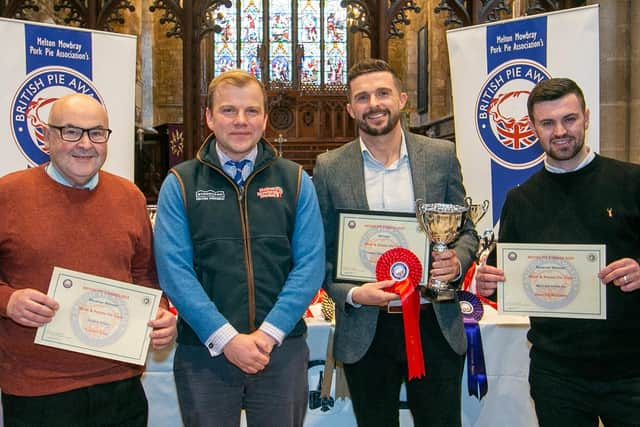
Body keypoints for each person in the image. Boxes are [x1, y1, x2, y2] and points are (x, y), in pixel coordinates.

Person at [153, 69, 325, 427]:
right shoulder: (180, 183)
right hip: (205, 351)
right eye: (229, 110)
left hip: (280, 350)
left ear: (264, 118)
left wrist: (268, 333)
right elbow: (174, 271)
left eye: (251, 111)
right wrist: (226, 338)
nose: (241, 121)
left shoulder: (295, 180)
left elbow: (310, 265)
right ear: (209, 117)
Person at [313, 59, 478, 427]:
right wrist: (354, 294)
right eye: (362, 97)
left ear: (401, 99)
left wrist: (458, 261)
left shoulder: (440, 156)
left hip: (433, 321)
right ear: (350, 108)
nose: (374, 103)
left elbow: (467, 232)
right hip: (365, 329)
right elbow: (320, 251)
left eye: (383, 93)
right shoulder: (329, 167)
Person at [0, 93, 177, 426]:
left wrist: (159, 310)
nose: (85, 144)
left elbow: (144, 276)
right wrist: (8, 301)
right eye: (71, 131)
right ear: (47, 136)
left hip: (119, 385)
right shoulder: (8, 194)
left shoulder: (129, 197)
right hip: (38, 388)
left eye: (97, 133)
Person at [476, 77, 640, 427]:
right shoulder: (520, 200)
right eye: (548, 123)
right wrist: (489, 281)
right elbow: (508, 281)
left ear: (587, 117)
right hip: (557, 373)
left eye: (569, 119)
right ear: (533, 128)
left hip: (631, 370)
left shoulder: (631, 182)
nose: (560, 131)